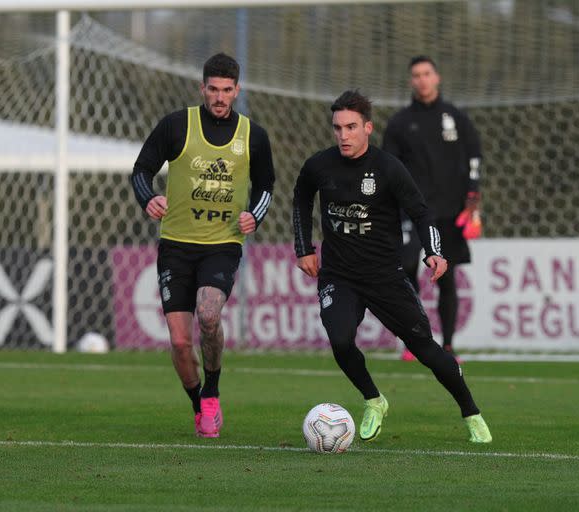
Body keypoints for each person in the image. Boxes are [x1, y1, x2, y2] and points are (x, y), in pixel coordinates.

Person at [292, 89, 491, 443]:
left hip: (385, 277)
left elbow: (420, 212)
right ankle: (374, 400)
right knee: (340, 340)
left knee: (428, 350)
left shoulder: (388, 168)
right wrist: (304, 248)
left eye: (351, 127)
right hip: (339, 275)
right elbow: (301, 198)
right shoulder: (319, 165)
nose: (343, 135)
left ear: (368, 127)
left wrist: (434, 251)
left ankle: (471, 412)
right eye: (337, 128)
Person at [131, 53, 275, 438]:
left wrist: (254, 216)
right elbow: (141, 169)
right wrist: (148, 197)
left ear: (237, 91)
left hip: (222, 244)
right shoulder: (177, 125)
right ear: (202, 88)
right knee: (180, 342)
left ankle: (211, 392)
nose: (220, 97)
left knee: (209, 315)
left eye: (227, 90)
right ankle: (199, 405)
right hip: (175, 245)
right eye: (213, 89)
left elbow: (266, 186)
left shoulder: (253, 135)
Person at [382, 55, 483, 362]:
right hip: (413, 213)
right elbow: (388, 168)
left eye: (427, 73)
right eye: (416, 75)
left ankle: (449, 346)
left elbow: (474, 158)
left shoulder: (456, 117)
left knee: (447, 277)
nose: (422, 79)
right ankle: (415, 341)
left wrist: (473, 201)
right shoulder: (400, 123)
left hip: (450, 212)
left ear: (436, 77)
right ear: (411, 80)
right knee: (408, 267)